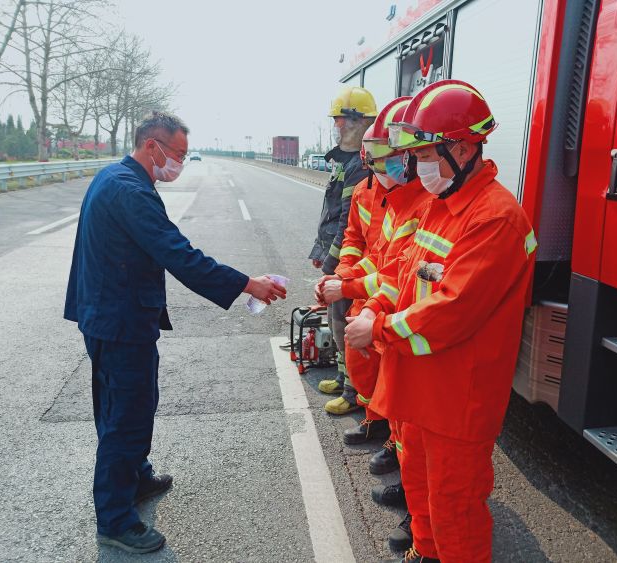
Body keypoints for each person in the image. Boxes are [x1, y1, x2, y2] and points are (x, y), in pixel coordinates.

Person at [64, 111, 286, 554]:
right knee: (124, 416)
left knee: (135, 404)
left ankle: (137, 476)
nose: (181, 163)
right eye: (178, 154)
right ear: (152, 147)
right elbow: (179, 255)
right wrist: (247, 282)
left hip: (112, 313)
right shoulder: (131, 192)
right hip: (119, 321)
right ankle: (115, 517)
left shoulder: (114, 178)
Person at [345, 80, 537, 562]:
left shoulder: (495, 218)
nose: (418, 165)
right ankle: (425, 554)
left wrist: (381, 329)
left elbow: (453, 309)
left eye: (428, 152)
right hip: (420, 388)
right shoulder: (439, 205)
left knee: (454, 507)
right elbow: (401, 271)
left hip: (458, 399)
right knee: (420, 489)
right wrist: (373, 306)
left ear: (466, 146)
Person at [321, 96, 434, 554]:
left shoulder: (423, 202)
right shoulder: (379, 191)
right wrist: (350, 283)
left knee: (438, 460)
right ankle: (389, 445)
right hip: (382, 307)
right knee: (382, 388)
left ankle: (424, 529)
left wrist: (359, 298)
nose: (379, 167)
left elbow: (402, 272)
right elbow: (363, 246)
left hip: (404, 325)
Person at [309, 86, 376, 415]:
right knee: (337, 320)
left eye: (341, 121)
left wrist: (331, 270)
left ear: (361, 122)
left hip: (355, 266)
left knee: (347, 323)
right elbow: (333, 210)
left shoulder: (361, 167)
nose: (337, 127)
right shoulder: (346, 161)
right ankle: (342, 375)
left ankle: (353, 391)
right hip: (343, 260)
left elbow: (347, 222)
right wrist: (321, 250)